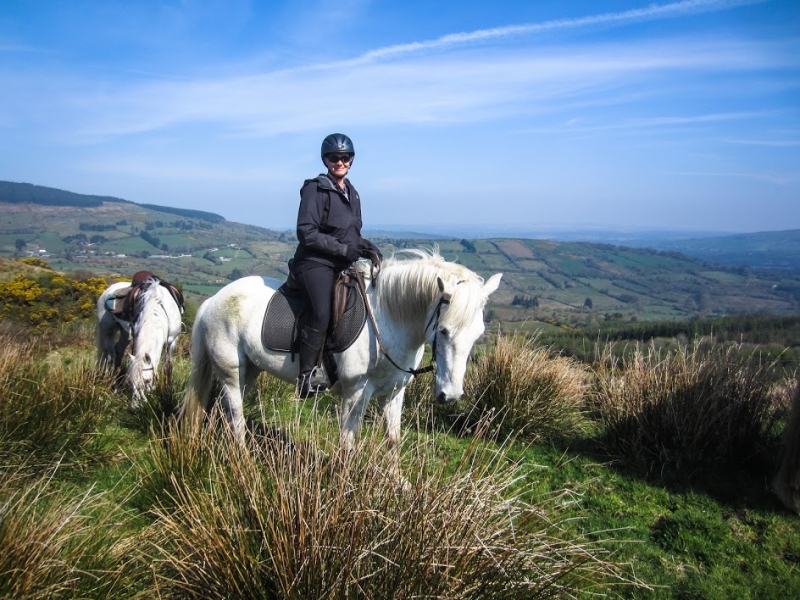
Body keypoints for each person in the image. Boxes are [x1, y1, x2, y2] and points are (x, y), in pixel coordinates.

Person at [292, 133, 382, 398]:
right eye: (334, 158)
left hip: (342, 263)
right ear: (325, 160)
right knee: (322, 311)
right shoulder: (315, 189)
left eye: (344, 158)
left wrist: (366, 246)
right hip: (314, 262)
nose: (339, 162)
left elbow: (351, 235)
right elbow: (306, 232)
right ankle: (307, 376)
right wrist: (344, 249)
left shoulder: (352, 193)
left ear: (351, 161)